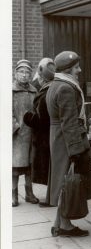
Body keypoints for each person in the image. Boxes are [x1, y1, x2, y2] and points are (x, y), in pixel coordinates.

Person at [46, 51, 91, 237]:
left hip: (58, 138)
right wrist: (75, 150)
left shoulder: (56, 84)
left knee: (63, 181)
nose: (79, 70)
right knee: (68, 182)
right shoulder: (66, 88)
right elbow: (69, 121)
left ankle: (59, 223)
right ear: (68, 69)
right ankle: (64, 225)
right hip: (67, 139)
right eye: (76, 67)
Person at [23, 57, 55, 206]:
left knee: (48, 167)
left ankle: (51, 197)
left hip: (45, 137)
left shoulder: (46, 91)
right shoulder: (52, 87)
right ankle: (51, 196)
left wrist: (27, 117)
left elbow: (41, 119)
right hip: (49, 136)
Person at [12, 59, 39, 207]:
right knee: (14, 167)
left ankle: (29, 193)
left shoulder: (34, 91)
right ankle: (13, 194)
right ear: (15, 73)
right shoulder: (10, 90)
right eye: (21, 72)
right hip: (17, 135)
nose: (24, 75)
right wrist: (14, 127)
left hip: (31, 134)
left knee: (29, 165)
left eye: (27, 72)